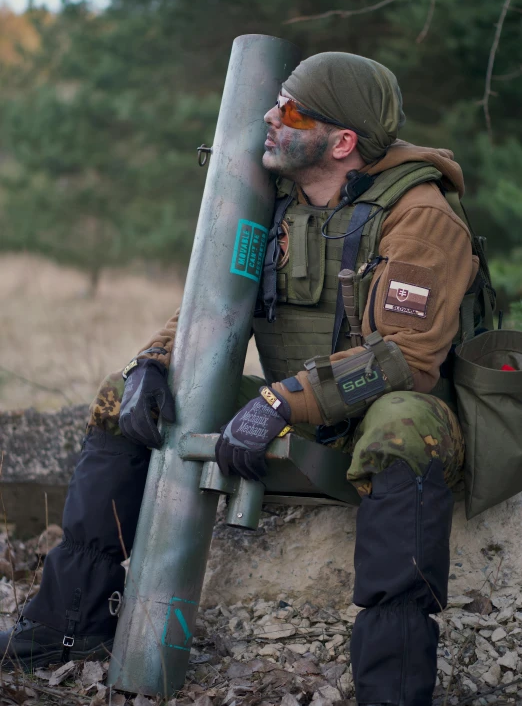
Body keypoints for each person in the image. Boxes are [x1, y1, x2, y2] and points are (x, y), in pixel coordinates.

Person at [1, 52, 483, 705]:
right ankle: (69, 626)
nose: (268, 118)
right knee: (122, 395)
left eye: (290, 110)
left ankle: (394, 685)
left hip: (393, 416)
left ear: (342, 142)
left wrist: (281, 402)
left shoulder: (422, 214)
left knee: (404, 426)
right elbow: (207, 308)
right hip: (298, 409)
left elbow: (405, 358)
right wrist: (153, 363)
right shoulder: (271, 207)